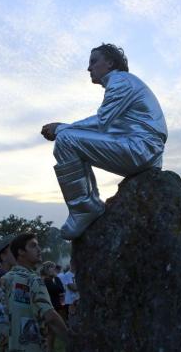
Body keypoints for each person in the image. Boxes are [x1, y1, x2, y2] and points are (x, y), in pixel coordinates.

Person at [41, 43, 167, 239]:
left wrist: (61, 128)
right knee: (72, 140)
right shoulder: (124, 83)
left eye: (93, 61)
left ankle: (83, 208)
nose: (89, 68)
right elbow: (110, 128)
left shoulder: (120, 81)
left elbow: (101, 122)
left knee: (66, 140)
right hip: (145, 150)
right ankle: (87, 203)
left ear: (109, 62)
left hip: (141, 149)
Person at [0, 233, 70, 352]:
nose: (39, 249)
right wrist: (72, 341)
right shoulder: (34, 280)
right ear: (21, 252)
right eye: (33, 245)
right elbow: (50, 316)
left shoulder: (3, 281)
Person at [40, 261, 65, 352]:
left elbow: (61, 289)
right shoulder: (46, 281)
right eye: (52, 268)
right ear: (47, 269)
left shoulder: (52, 280)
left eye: (54, 268)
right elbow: (59, 289)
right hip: (50, 312)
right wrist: (57, 278)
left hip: (55, 311)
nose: (54, 270)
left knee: (51, 340)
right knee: (49, 341)